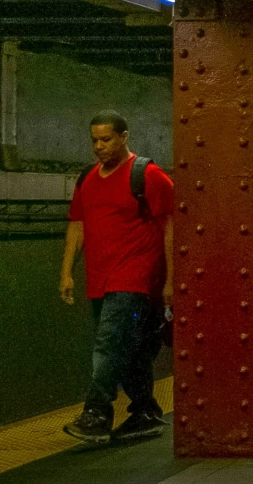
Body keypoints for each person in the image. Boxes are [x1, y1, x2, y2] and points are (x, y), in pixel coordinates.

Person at [59, 110, 174, 443]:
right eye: (94, 140)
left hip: (135, 279)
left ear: (124, 137)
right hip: (100, 279)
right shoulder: (87, 179)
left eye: (106, 139)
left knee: (108, 343)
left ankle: (96, 413)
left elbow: (171, 227)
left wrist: (169, 281)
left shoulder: (148, 176)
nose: (99, 146)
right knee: (129, 348)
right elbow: (77, 225)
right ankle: (144, 412)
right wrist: (66, 272)